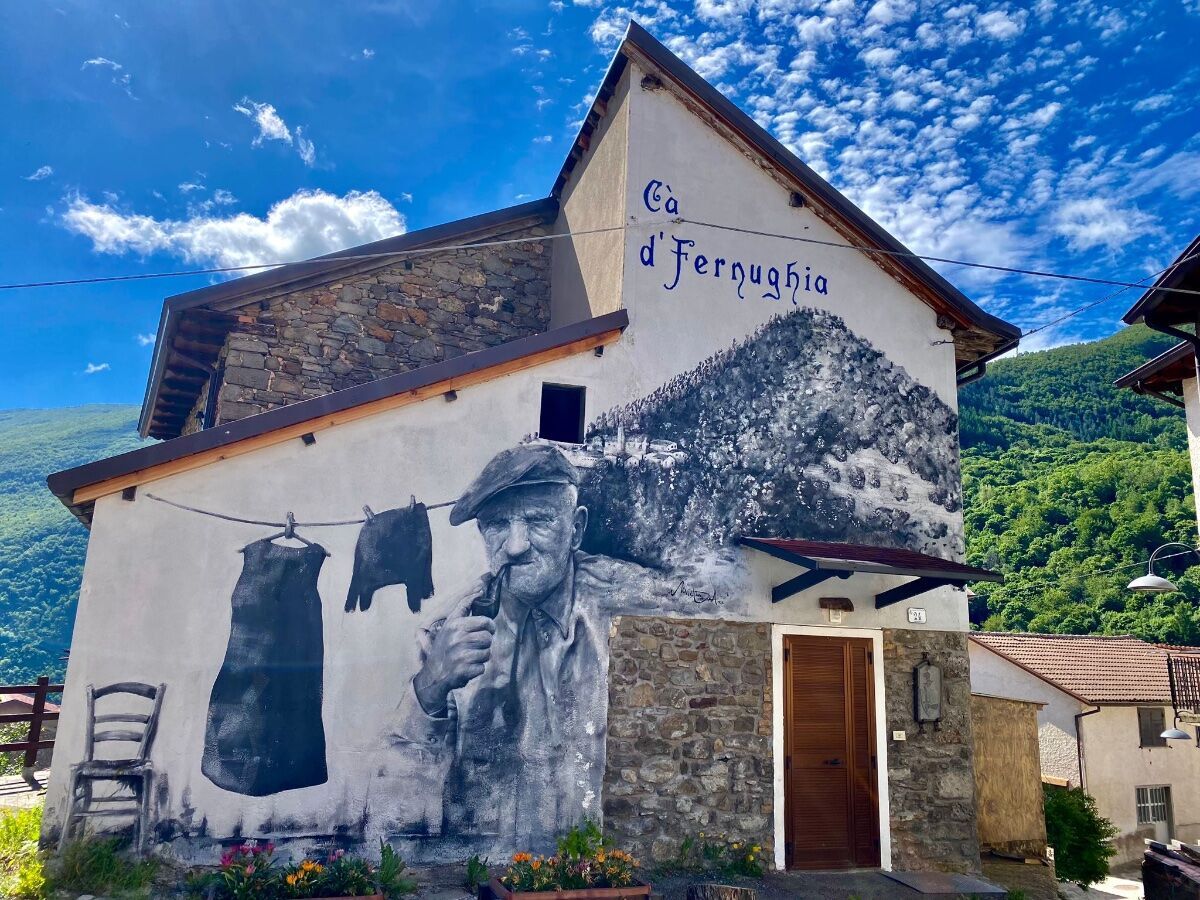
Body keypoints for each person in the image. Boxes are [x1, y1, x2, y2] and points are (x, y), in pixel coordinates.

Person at [389, 443, 656, 854]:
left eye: (538, 520)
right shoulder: (445, 634)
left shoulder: (633, 607)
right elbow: (396, 807)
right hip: (479, 873)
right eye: (498, 524)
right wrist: (430, 689)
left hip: (587, 873)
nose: (515, 546)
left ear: (576, 529)